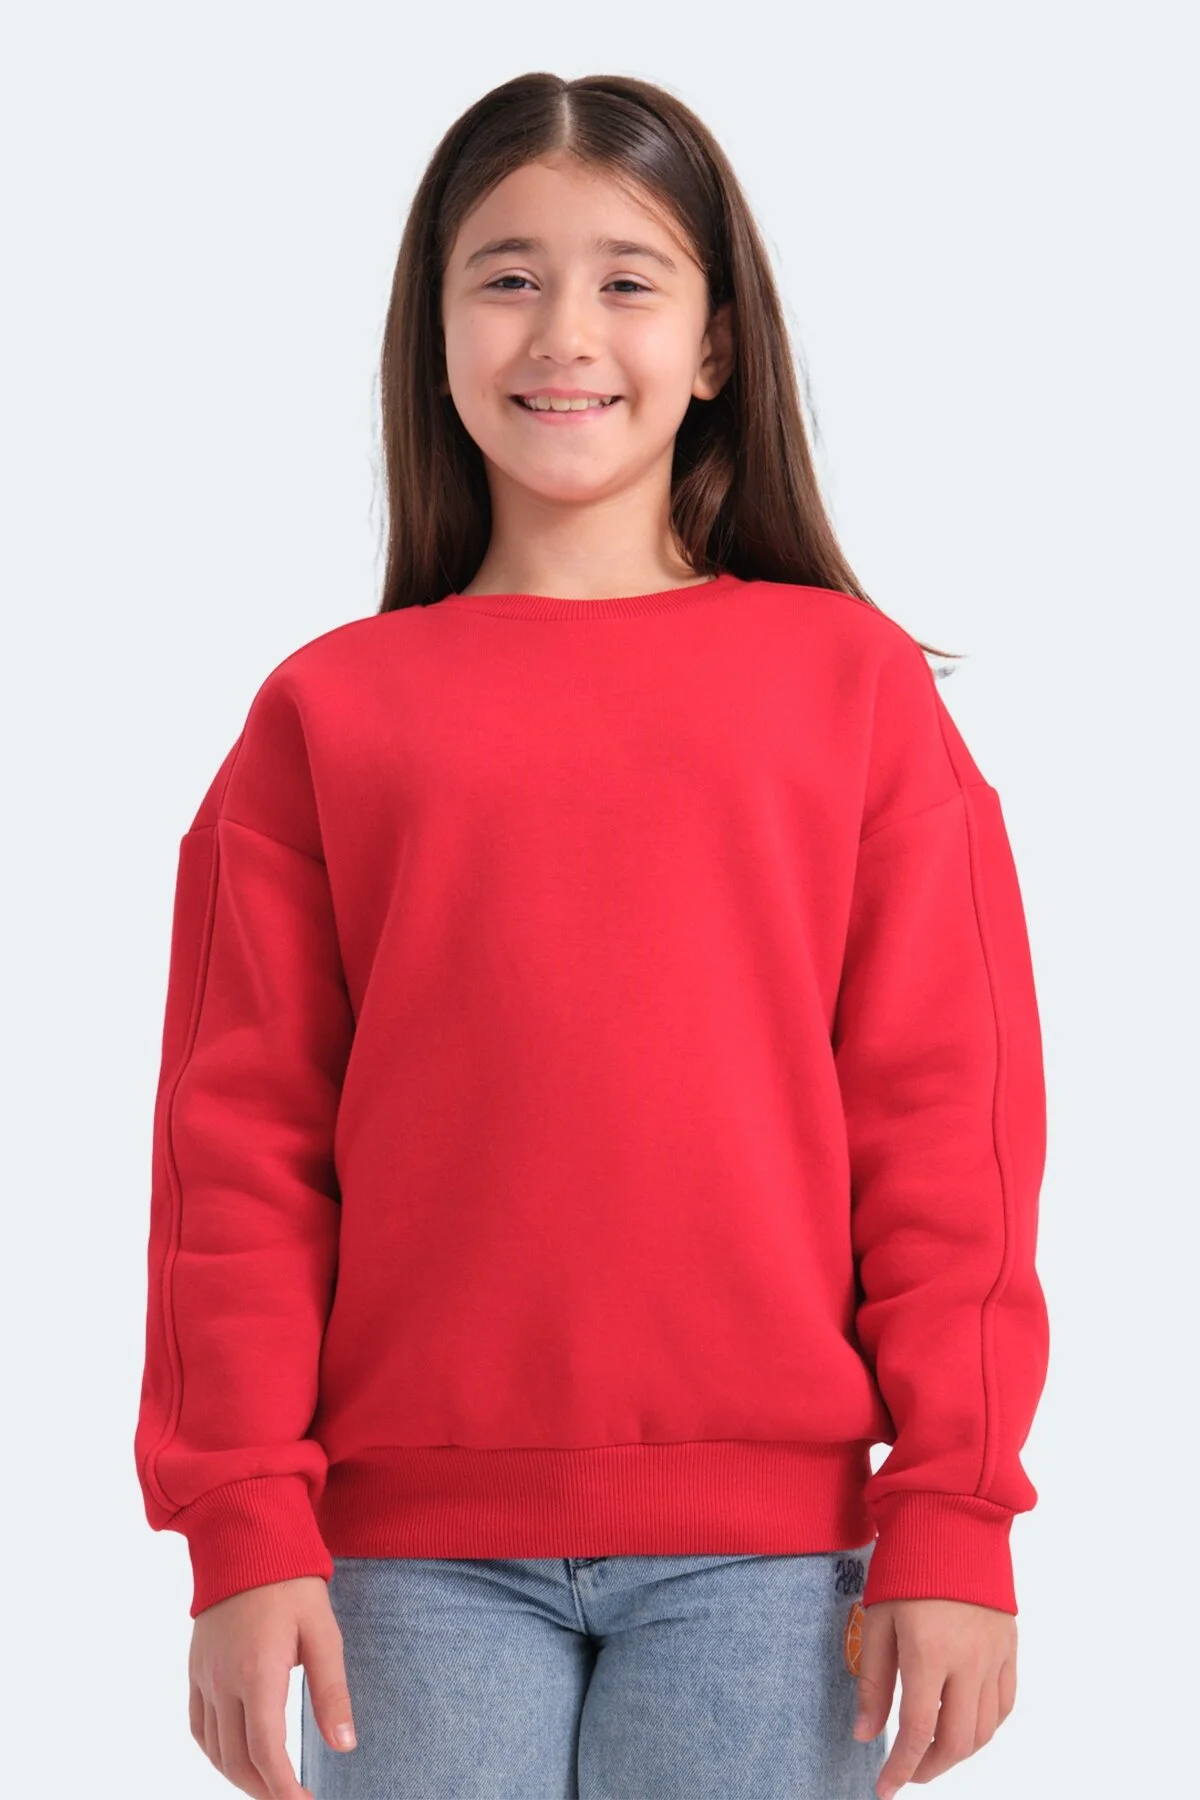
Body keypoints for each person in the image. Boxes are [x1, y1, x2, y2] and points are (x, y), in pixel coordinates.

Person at [133, 69, 1050, 1800]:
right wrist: (241, 1524)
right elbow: (234, 1156)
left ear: (715, 347)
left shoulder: (848, 689)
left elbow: (952, 1126)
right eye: (507, 278)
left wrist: (957, 1510)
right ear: (435, 339)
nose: (564, 332)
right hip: (404, 1564)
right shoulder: (326, 716)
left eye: (628, 279)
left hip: (774, 1563)